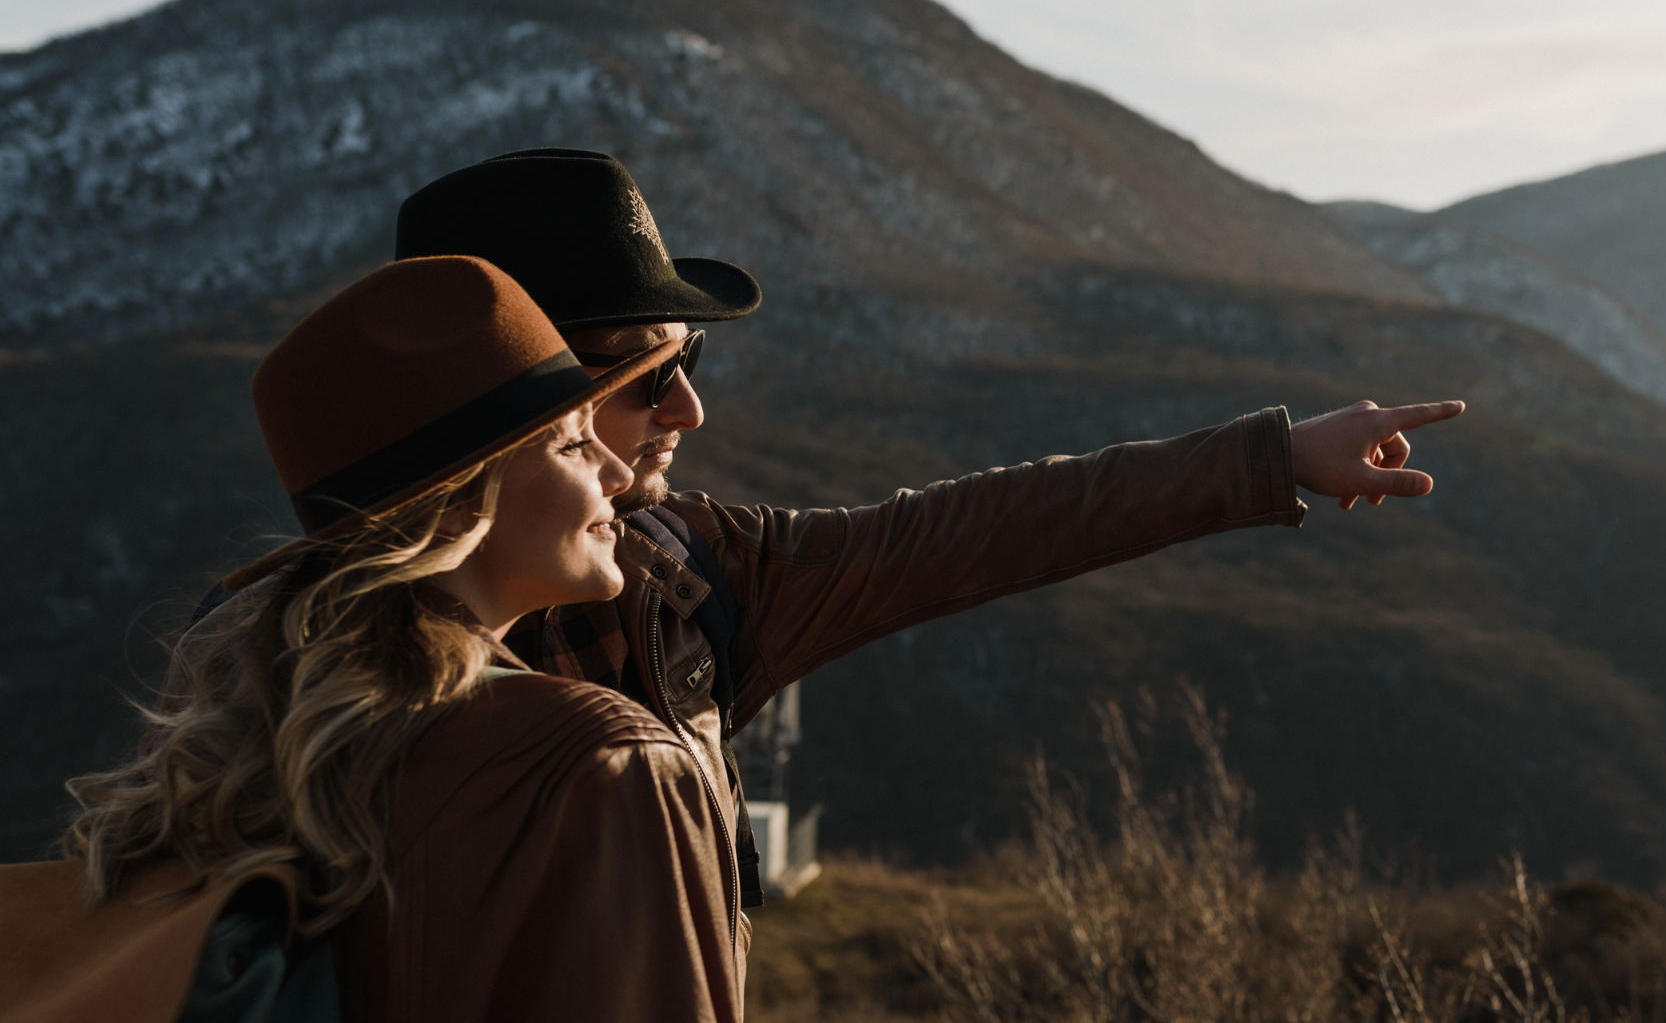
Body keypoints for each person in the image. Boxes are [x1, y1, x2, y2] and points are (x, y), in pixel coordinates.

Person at [393, 149, 1467, 902]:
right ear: (515, 397)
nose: (688, 409)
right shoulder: (280, 683)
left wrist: (1268, 459)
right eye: (642, 373)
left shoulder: (696, 575)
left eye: (692, 361)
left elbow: (985, 528)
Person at [59, 255, 780, 1023]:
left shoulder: (254, 751)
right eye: (574, 443)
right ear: (472, 492)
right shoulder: (593, 765)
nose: (615, 479)